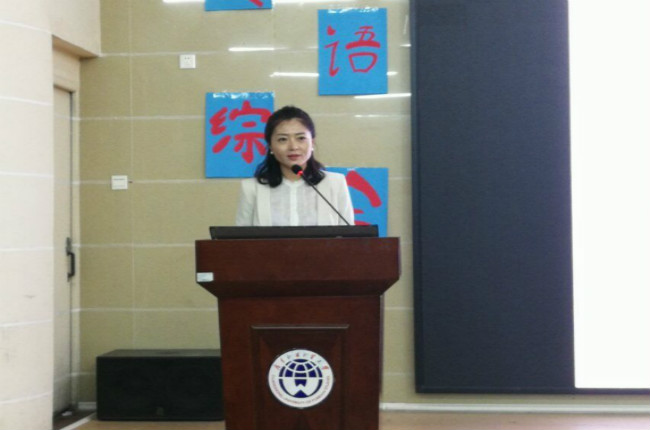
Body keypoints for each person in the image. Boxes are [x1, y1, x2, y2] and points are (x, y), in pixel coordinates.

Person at [235, 105, 354, 226]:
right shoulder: (252, 188)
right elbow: (242, 237)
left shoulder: (335, 183)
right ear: (270, 146)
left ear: (312, 142)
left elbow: (349, 235)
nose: (293, 147)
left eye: (301, 138)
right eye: (283, 139)